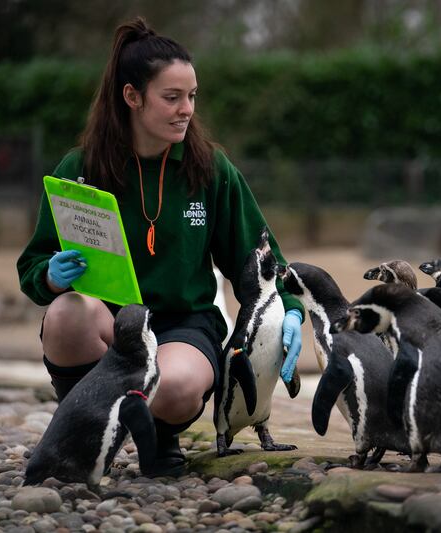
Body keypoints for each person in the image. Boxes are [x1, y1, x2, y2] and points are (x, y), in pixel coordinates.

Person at [16, 17, 304, 477]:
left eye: (191, 96)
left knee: (178, 387)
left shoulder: (210, 169)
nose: (186, 109)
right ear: (132, 97)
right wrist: (50, 275)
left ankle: (162, 439)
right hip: (110, 324)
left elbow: (258, 254)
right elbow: (32, 264)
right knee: (67, 312)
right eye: (171, 97)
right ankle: (85, 431)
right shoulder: (81, 167)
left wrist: (289, 307)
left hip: (181, 325)